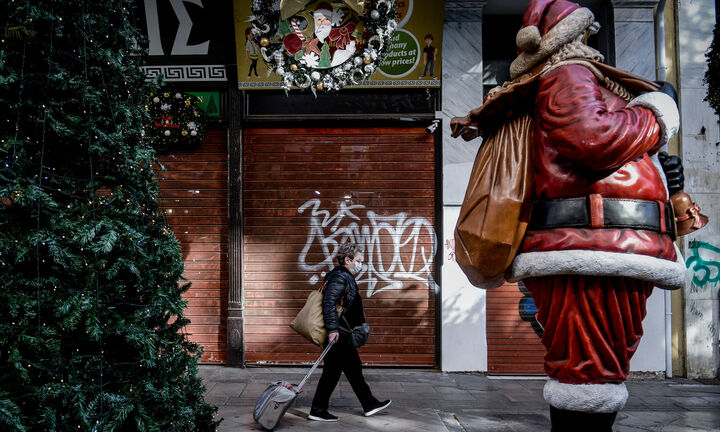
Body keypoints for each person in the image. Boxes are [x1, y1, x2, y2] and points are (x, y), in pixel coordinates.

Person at [308, 242, 391, 422]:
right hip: (340, 334)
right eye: (358, 260)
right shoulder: (340, 277)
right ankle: (319, 409)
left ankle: (367, 404)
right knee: (339, 372)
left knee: (346, 370)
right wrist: (332, 329)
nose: (360, 264)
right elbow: (329, 303)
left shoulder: (342, 276)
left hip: (342, 332)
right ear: (348, 260)